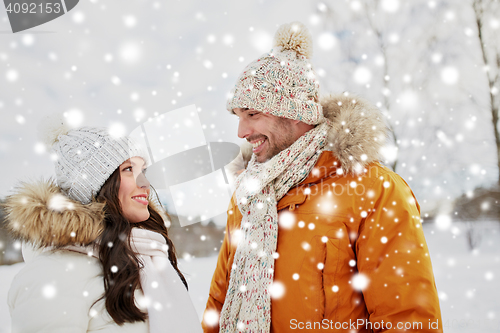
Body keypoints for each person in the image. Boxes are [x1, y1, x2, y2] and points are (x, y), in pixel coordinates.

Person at [202, 22, 443, 332]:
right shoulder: (249, 194)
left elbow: (407, 319)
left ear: (294, 113)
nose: (241, 132)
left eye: (252, 114)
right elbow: (220, 301)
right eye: (238, 117)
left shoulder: (373, 190)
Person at [4, 118, 202, 333]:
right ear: (94, 186)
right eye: (128, 169)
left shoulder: (143, 258)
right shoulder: (51, 274)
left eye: (143, 169)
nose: (145, 182)